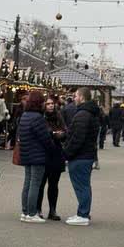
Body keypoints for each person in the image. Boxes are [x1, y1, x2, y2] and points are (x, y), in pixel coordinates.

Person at [61, 86, 103, 225]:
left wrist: (67, 153)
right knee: (84, 185)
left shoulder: (82, 114)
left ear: (82, 97)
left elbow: (77, 137)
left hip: (80, 156)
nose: (74, 98)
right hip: (86, 154)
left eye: (76, 96)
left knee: (81, 186)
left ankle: (83, 215)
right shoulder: (90, 113)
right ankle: (83, 213)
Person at [16, 88, 56, 223]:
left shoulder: (25, 115)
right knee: (35, 184)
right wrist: (52, 147)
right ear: (39, 103)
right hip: (38, 154)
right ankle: (32, 213)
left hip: (26, 153)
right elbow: (45, 139)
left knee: (27, 183)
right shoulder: (38, 118)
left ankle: (25, 211)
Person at [38, 94, 67, 221]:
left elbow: (65, 131)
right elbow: (43, 134)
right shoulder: (40, 117)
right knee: (41, 184)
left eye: (52, 103)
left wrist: (61, 134)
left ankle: (52, 210)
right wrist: (53, 133)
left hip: (56, 153)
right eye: (48, 104)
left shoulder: (59, 116)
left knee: (54, 184)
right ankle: (38, 209)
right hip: (43, 154)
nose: (50, 106)